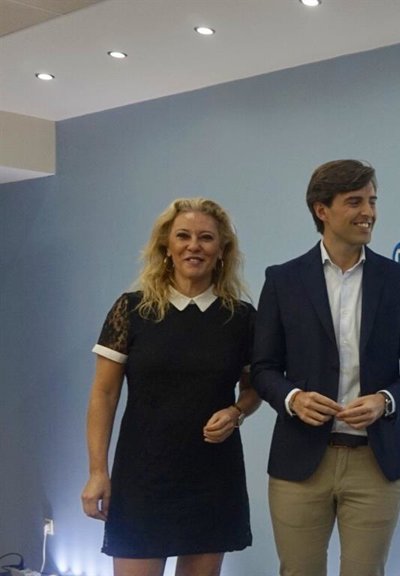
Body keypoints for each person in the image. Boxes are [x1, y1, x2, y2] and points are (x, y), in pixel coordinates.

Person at [252, 159, 400, 576]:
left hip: (376, 461)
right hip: (300, 461)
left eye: (372, 201)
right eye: (355, 201)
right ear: (322, 210)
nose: (368, 212)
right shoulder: (282, 280)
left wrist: (385, 400)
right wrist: (293, 398)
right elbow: (263, 368)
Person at [82, 198, 260, 576]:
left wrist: (237, 412)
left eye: (206, 238)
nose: (194, 246)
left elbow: (254, 387)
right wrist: (98, 471)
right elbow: (104, 394)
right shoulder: (132, 310)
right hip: (142, 477)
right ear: (167, 245)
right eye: (183, 236)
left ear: (222, 250)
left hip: (212, 477)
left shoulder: (241, 318)